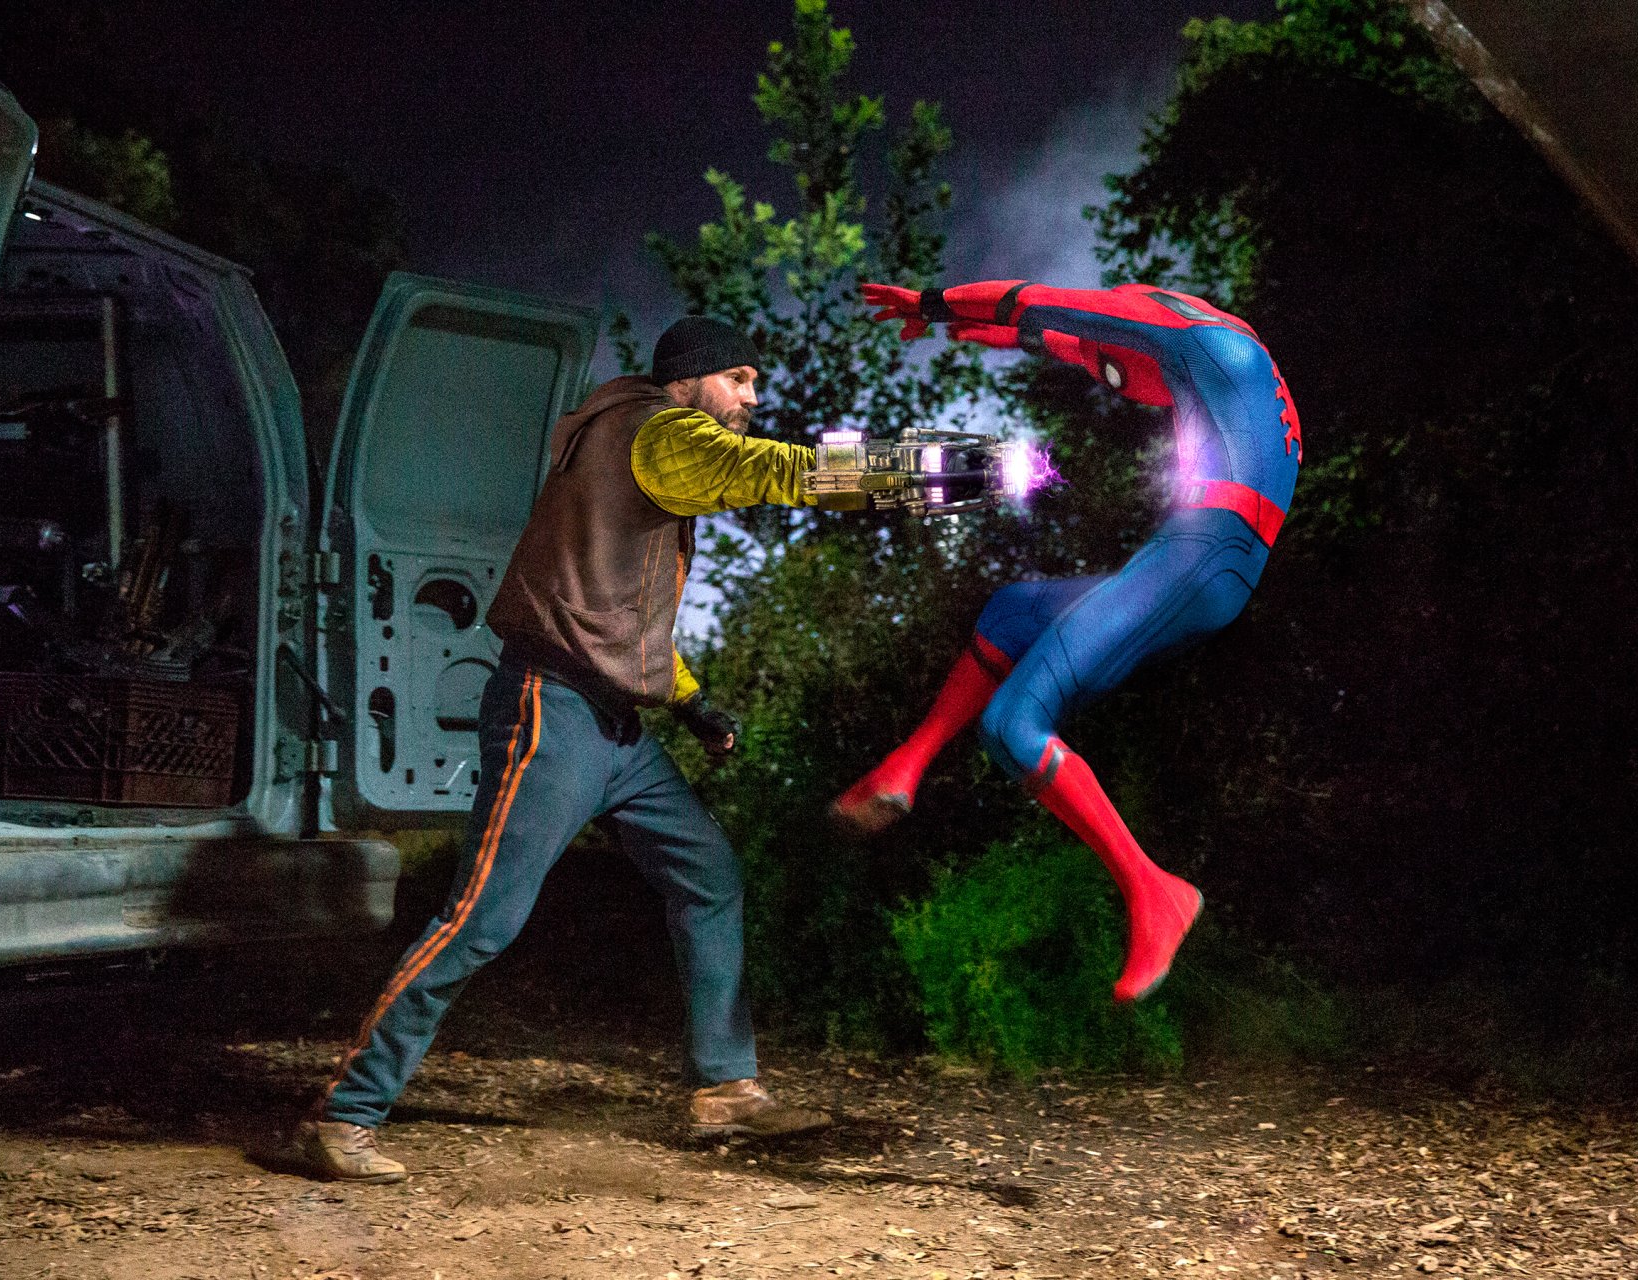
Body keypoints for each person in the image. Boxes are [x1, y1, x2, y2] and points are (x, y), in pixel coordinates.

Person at [293, 316, 834, 1183]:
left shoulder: (639, 445)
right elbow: (762, 469)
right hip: (554, 712)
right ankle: (344, 1113)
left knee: (708, 873)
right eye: (740, 378)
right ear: (690, 380)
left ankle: (725, 1092)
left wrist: (692, 704)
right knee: (482, 921)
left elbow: (616, 613)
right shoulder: (656, 430)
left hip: (616, 724)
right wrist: (897, 472)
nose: (752, 397)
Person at [832, 280, 1301, 1003]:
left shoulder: (1189, 332)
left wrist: (933, 302)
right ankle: (906, 766)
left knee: (1013, 725)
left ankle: (1155, 891)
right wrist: (996, 335)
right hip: (1212, 560)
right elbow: (1081, 346)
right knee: (1012, 612)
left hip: (1199, 553)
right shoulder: (1237, 370)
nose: (1113, 377)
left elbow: (1041, 303)